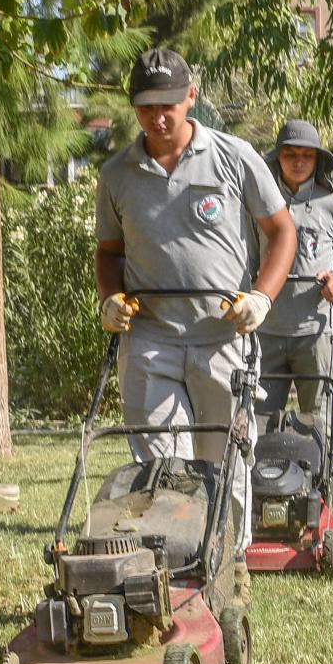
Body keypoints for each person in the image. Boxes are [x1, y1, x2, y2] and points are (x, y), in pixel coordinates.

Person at [93, 47, 294, 464]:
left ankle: (227, 534)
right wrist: (109, 297)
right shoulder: (116, 175)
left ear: (191, 96)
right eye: (145, 107)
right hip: (150, 339)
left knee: (228, 470)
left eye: (167, 104)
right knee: (164, 473)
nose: (158, 116)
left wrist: (262, 296)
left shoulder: (235, 157)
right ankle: (172, 533)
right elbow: (109, 251)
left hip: (224, 337)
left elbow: (280, 232)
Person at [261, 118, 333, 424]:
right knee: (260, 419)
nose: (298, 162)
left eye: (306, 155)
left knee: (317, 420)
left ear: (317, 160)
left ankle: (319, 473)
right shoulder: (259, 204)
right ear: (278, 158)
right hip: (267, 329)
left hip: (317, 331)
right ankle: (259, 473)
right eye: (290, 154)